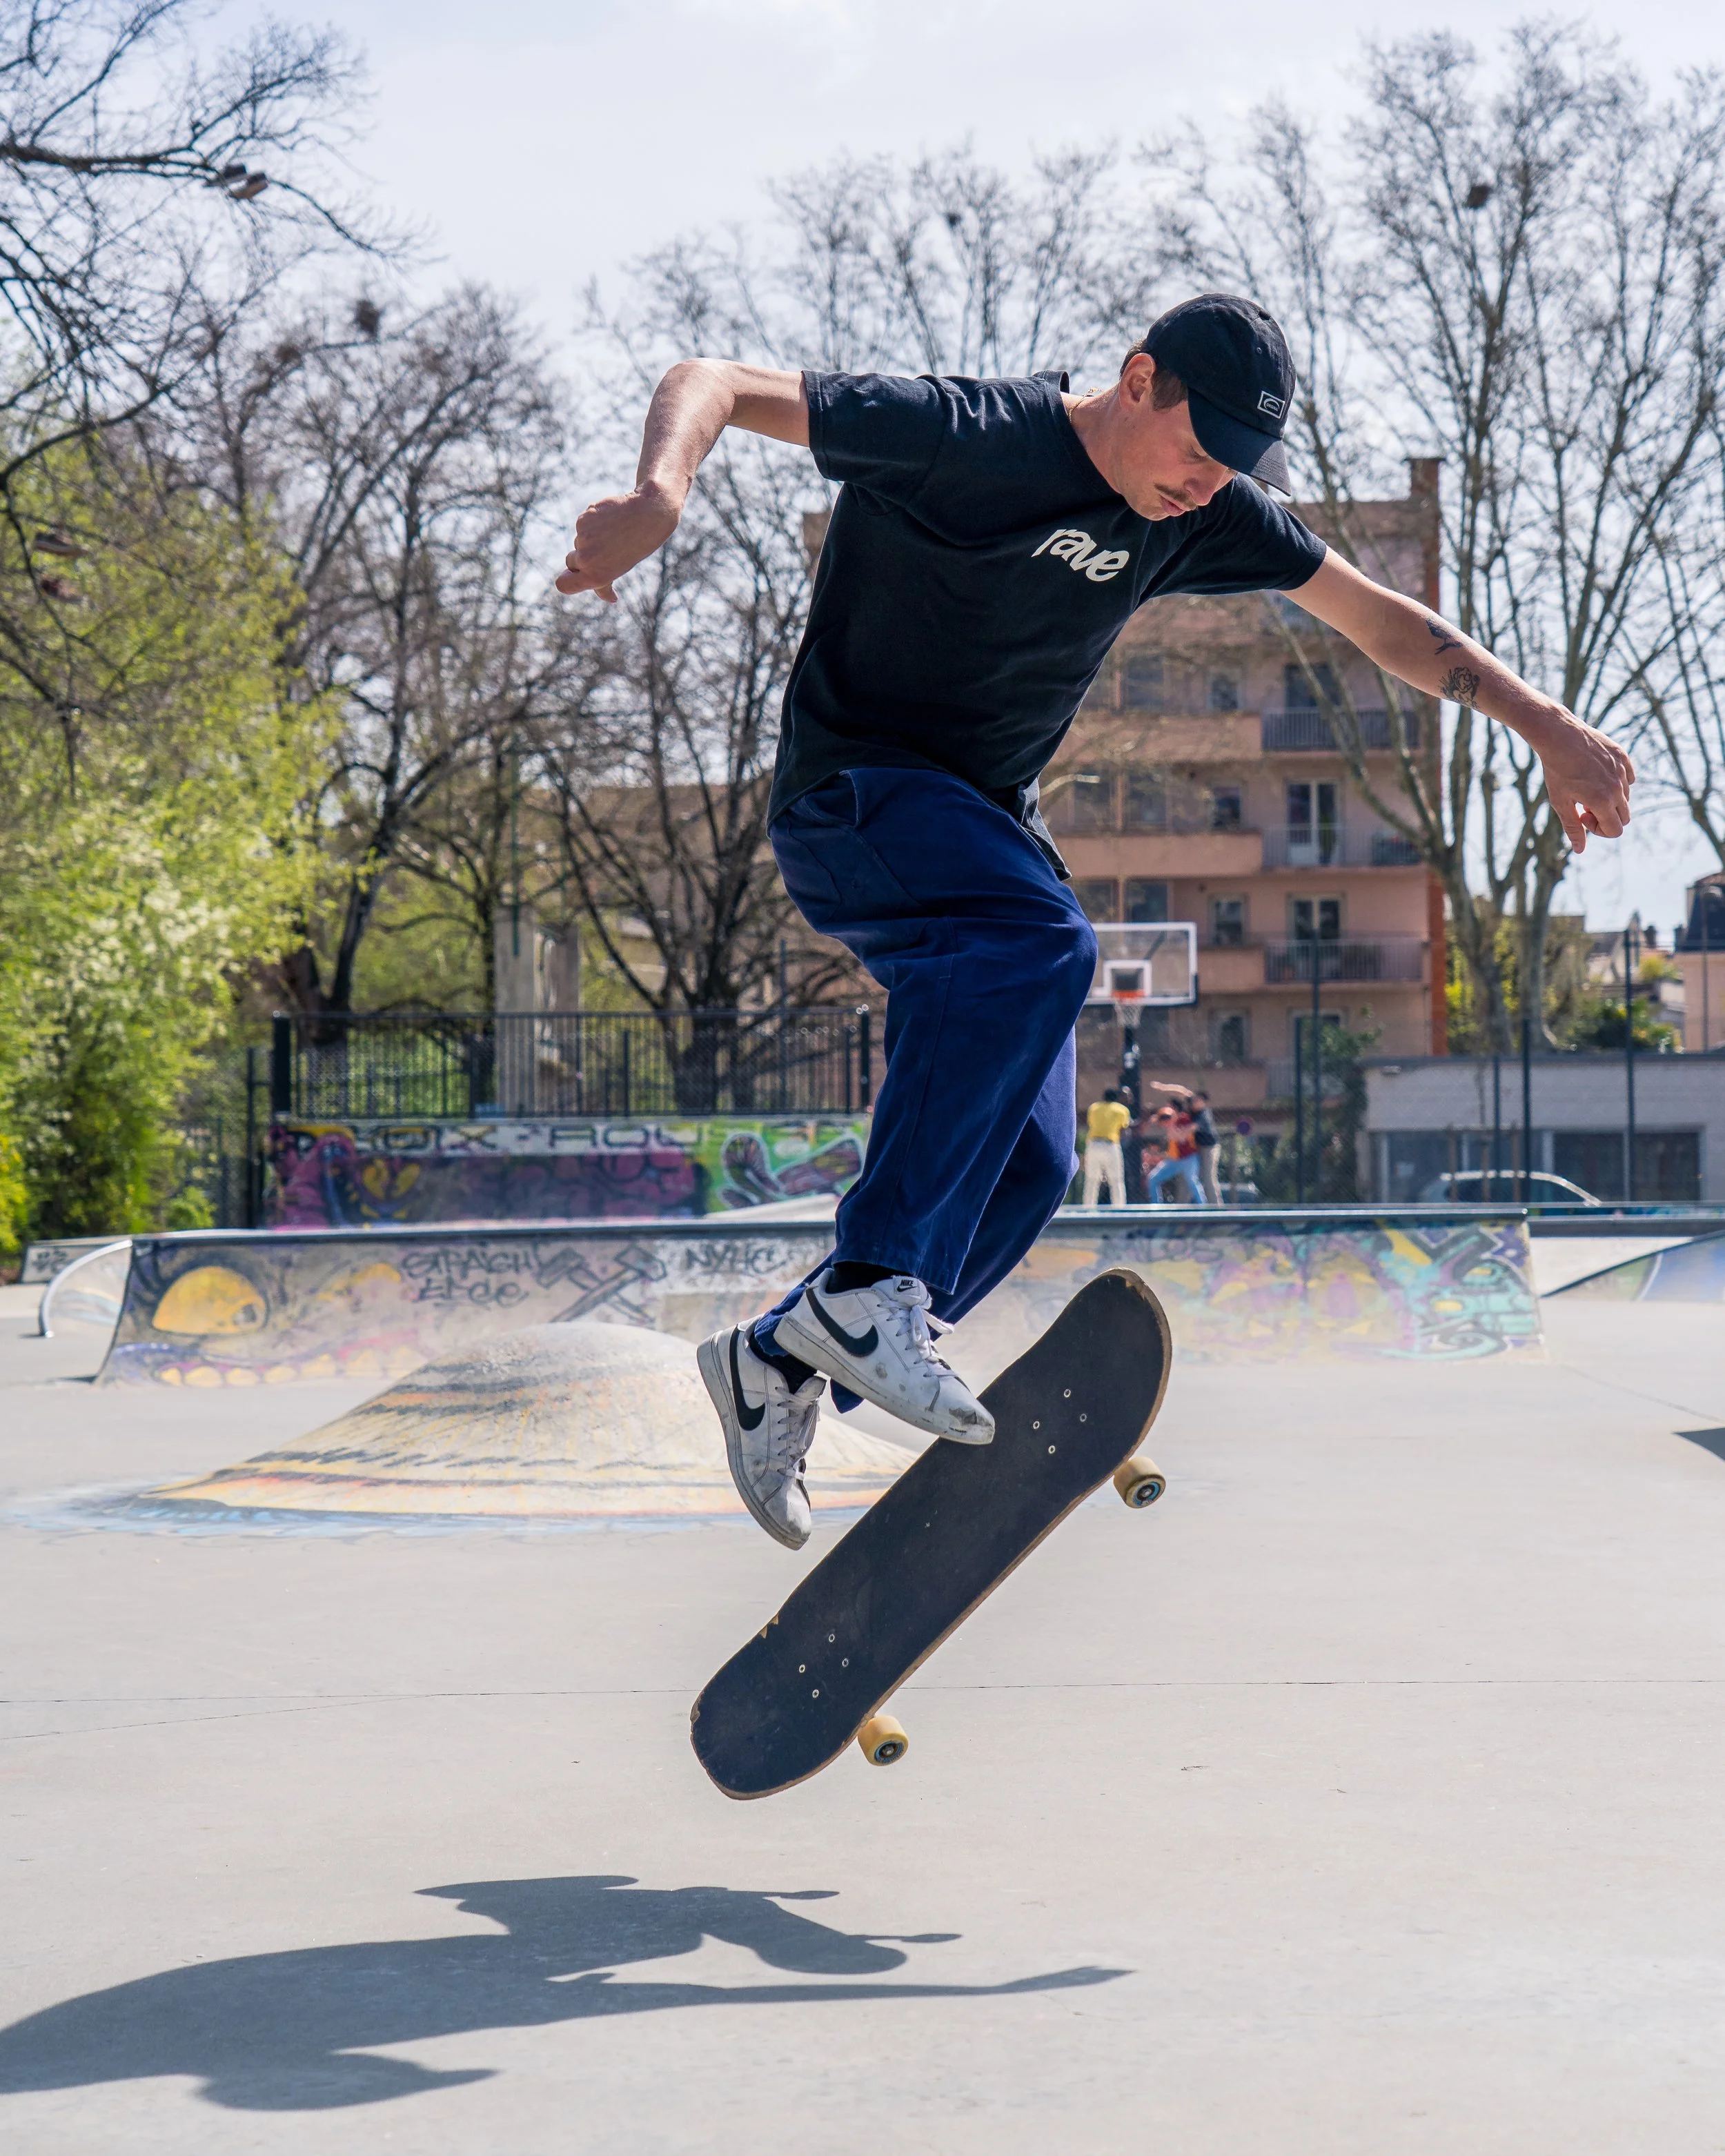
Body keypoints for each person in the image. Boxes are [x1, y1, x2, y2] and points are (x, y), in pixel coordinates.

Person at [556, 292, 1634, 1551]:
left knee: (1034, 1163)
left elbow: (1379, 620)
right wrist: (660, 496)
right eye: (1196, 447)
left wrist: (1549, 726)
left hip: (975, 825)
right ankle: (864, 1290)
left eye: (1233, 465)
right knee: (1045, 944)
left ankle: (781, 1362)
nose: (1205, 483)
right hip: (852, 799)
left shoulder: (1202, 512)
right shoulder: (964, 432)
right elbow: (718, 377)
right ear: (1137, 380)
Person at [1151, 1081, 1221, 1205]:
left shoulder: (1203, 1114)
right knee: (1189, 1181)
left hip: (1208, 1148)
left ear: (1204, 1103)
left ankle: (1216, 1210)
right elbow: (1180, 1091)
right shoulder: (1191, 1102)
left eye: (1200, 1101)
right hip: (1196, 1149)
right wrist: (1163, 1088)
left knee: (1208, 1179)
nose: (1196, 1102)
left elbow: (1191, 1128)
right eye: (1195, 1099)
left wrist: (1177, 1133)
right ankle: (1184, 1213)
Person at [1145, 1105, 1205, 1205]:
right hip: (1174, 1160)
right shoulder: (1166, 1125)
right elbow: (1154, 1125)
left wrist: (1171, 1124)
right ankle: (1156, 1209)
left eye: (1168, 1116)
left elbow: (1181, 1139)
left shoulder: (1184, 1119)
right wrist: (1158, 1120)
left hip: (1188, 1158)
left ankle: (1203, 1208)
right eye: (1164, 1117)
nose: (1166, 1119)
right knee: (1153, 1179)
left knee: (1192, 1181)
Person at [1082, 1088, 1132, 1206]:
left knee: (1092, 1180)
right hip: (1111, 1145)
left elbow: (1091, 1123)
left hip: (1093, 1144)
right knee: (1116, 1180)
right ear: (1116, 1098)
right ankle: (1119, 1208)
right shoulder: (1122, 1110)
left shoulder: (1094, 1107)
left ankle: (1088, 1209)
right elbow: (1124, 1128)